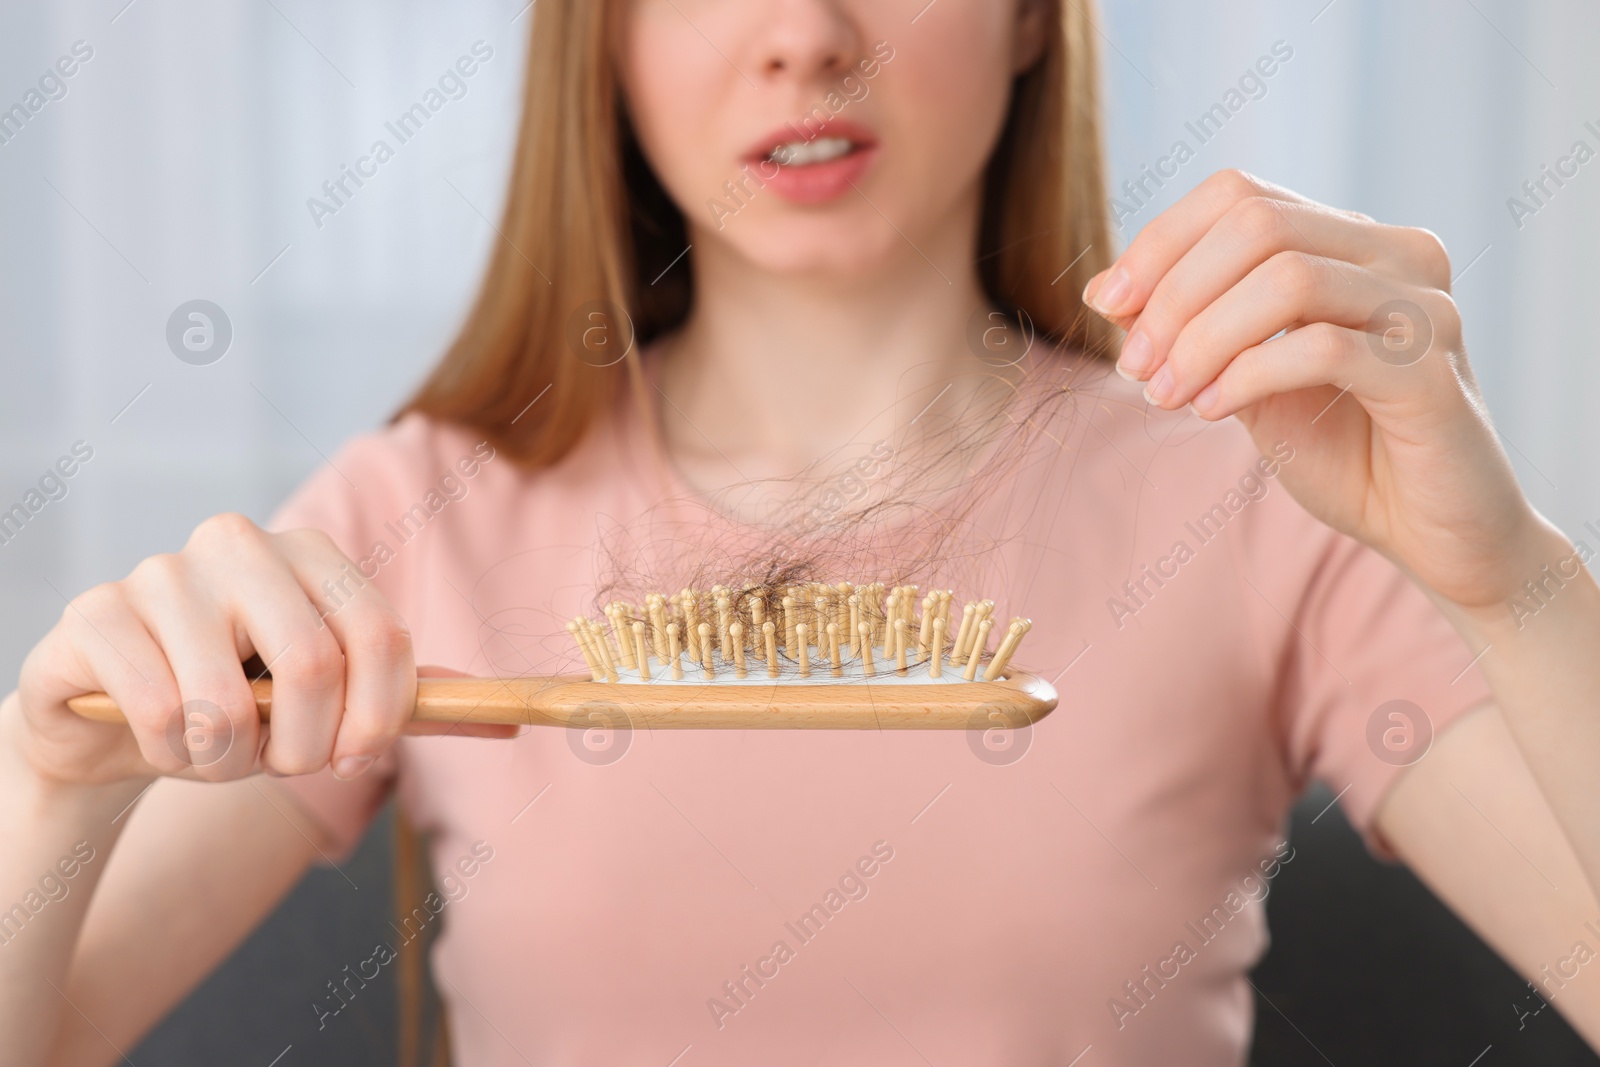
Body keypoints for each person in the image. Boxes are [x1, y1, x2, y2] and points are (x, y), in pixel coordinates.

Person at [5, 1, 1600, 1064]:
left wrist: (1511, 579)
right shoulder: (416, 517)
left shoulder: (1269, 485)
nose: (803, 37)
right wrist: (48, 779)